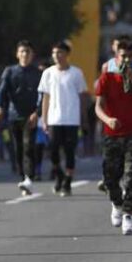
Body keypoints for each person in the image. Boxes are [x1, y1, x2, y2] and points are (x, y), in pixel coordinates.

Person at [96, 39, 132, 235]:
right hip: (112, 135)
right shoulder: (107, 78)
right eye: (122, 56)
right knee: (111, 178)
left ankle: (128, 215)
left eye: (129, 56)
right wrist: (107, 119)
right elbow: (98, 106)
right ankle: (116, 203)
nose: (126, 60)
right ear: (116, 57)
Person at [38, 40, 89, 197]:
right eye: (54, 53)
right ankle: (60, 175)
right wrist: (44, 119)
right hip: (54, 119)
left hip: (72, 119)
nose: (56, 56)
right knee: (53, 151)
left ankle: (67, 182)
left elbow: (82, 97)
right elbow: (45, 97)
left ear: (67, 54)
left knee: (69, 152)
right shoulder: (48, 73)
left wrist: (84, 118)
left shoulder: (76, 73)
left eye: (60, 52)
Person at [0, 40, 42, 195]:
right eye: (22, 51)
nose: (25, 54)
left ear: (32, 54)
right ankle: (23, 177)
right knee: (17, 149)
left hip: (31, 116)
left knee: (29, 146)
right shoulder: (10, 71)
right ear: (17, 54)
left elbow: (43, 96)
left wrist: (38, 112)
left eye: (28, 51)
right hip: (14, 115)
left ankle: (29, 178)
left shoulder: (38, 73)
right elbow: (1, 91)